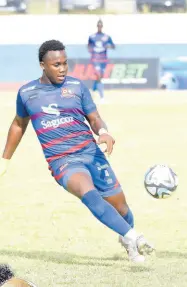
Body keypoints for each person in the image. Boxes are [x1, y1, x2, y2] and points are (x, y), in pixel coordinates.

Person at [0, 40, 153, 263]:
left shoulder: (76, 86)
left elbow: (94, 117)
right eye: (56, 65)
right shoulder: (27, 93)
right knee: (87, 192)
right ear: (43, 65)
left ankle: (127, 236)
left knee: (121, 207)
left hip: (91, 153)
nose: (62, 69)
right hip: (62, 160)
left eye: (65, 63)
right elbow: (18, 124)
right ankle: (134, 238)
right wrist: (5, 159)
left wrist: (103, 132)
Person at [87, 19, 115, 104]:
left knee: (100, 77)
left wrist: (108, 46)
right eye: (98, 26)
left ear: (102, 26)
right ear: (97, 26)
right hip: (95, 59)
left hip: (103, 59)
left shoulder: (107, 37)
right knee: (99, 76)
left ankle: (93, 90)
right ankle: (102, 97)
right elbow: (88, 46)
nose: (99, 27)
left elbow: (113, 46)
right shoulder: (92, 37)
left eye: (100, 26)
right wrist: (92, 51)